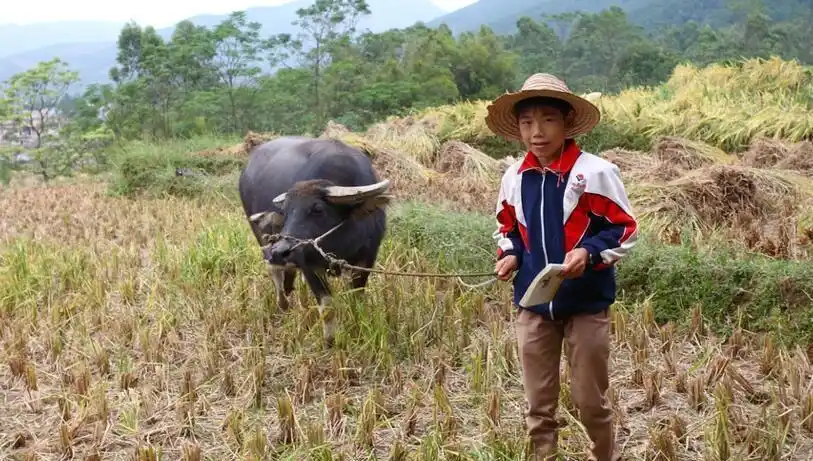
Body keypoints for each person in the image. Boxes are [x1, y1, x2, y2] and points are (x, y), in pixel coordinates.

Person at [485, 73, 638, 461]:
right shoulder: (514, 178)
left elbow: (623, 229)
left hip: (586, 303)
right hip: (533, 305)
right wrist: (511, 254)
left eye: (548, 119)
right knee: (538, 404)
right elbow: (508, 229)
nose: (537, 132)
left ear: (567, 122)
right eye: (527, 122)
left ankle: (604, 456)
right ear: (518, 127)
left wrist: (588, 251)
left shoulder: (595, 173)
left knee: (591, 401)